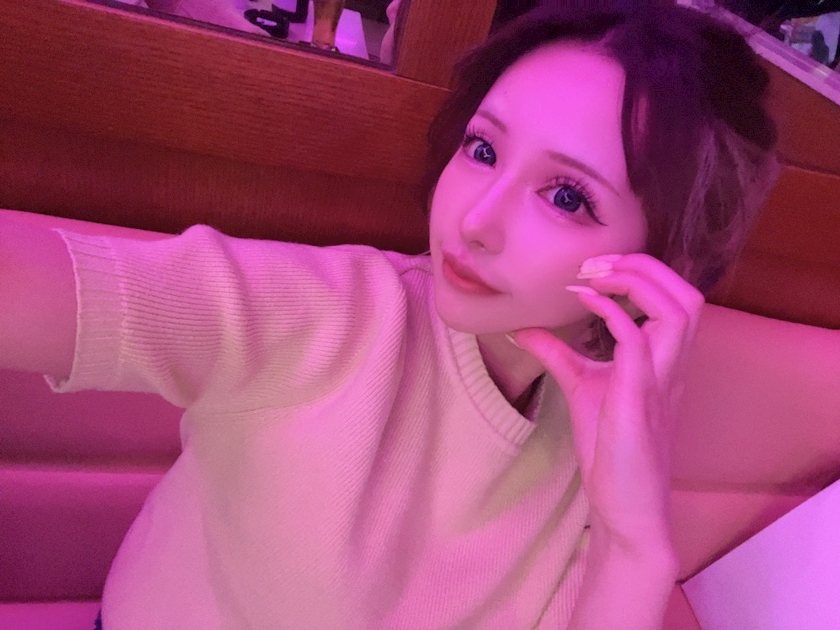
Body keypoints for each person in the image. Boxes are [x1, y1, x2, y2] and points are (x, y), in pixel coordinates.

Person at [0, 3, 778, 629]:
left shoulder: (603, 435)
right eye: (482, 149)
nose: (476, 219)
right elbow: (50, 290)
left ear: (661, 268)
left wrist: (634, 544)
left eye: (566, 196)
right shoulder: (326, 315)